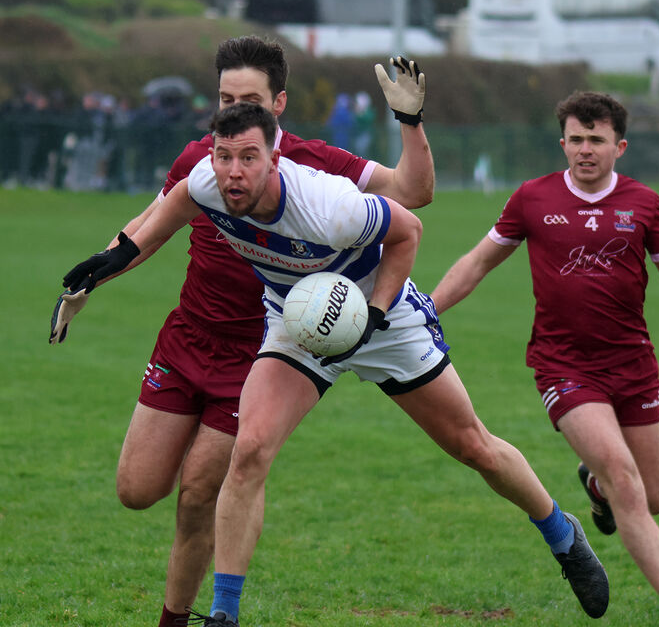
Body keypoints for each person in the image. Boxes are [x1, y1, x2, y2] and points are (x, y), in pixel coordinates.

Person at [62, 102, 610, 626]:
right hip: (299, 321)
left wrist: (372, 314)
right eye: (224, 157)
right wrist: (113, 259)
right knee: (250, 450)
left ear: (275, 157)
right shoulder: (208, 180)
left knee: (473, 445)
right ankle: (224, 614)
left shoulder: (327, 204)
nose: (233, 171)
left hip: (384, 316)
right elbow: (175, 205)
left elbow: (408, 231)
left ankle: (561, 534)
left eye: (248, 158)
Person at [49, 37, 434, 627]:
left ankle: (185, 614)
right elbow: (149, 225)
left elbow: (412, 197)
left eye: (247, 99)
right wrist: (91, 278)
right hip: (187, 338)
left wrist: (409, 123)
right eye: (224, 98)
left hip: (257, 352)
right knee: (136, 488)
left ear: (278, 104)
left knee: (202, 491)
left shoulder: (316, 165)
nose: (231, 112)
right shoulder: (203, 161)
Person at [430, 91, 659, 627]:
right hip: (564, 367)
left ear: (619, 146)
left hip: (634, 365)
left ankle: (595, 486)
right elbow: (478, 262)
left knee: (651, 498)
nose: (585, 150)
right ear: (563, 143)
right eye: (576, 140)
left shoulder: (644, 203)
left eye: (596, 140)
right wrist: (427, 309)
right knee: (626, 479)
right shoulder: (532, 199)